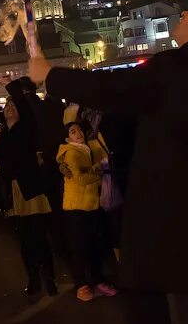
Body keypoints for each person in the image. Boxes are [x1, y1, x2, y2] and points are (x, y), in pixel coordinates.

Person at [30, 1, 188, 324]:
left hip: (171, 233)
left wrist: (50, 76)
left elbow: (111, 88)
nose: (184, 13)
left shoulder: (172, 69)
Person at [0, 76, 58, 299]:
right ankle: (33, 278)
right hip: (13, 191)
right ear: (2, 113)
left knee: (40, 235)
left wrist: (10, 85)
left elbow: (24, 105)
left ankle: (49, 277)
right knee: (24, 239)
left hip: (31, 187)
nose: (11, 108)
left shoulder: (26, 128)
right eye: (7, 106)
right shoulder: (1, 134)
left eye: (14, 105)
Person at [57, 120, 118, 302]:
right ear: (68, 139)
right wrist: (98, 172)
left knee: (93, 245)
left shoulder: (87, 148)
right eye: (73, 132)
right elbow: (80, 178)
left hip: (91, 204)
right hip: (77, 206)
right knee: (80, 247)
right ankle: (82, 284)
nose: (78, 133)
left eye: (79, 130)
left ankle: (96, 280)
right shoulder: (73, 152)